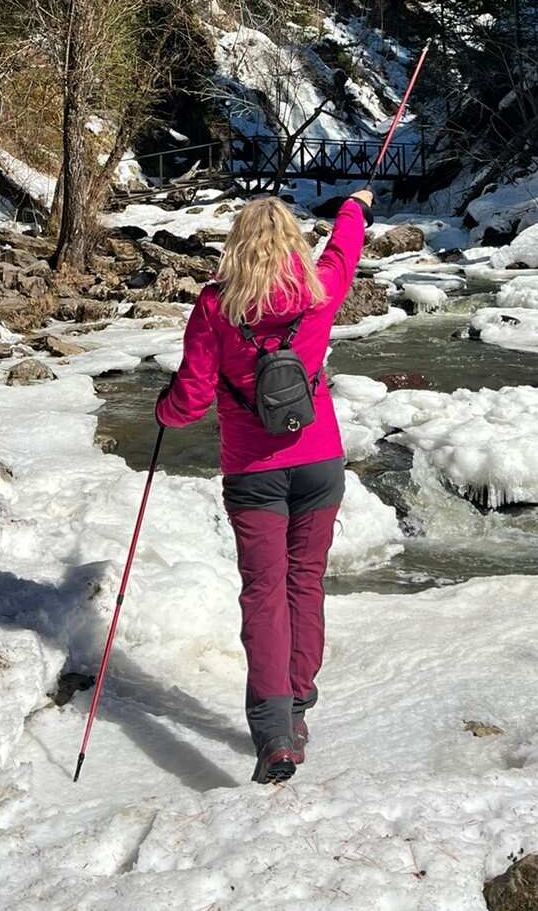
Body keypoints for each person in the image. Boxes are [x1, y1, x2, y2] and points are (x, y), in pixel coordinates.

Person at [156, 188, 374, 784]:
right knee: (305, 581)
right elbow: (345, 246)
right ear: (293, 243)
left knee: (264, 592)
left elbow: (190, 401)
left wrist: (163, 411)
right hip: (319, 461)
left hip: (253, 473)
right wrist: (356, 204)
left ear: (237, 247)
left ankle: (275, 731)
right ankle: (298, 700)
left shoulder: (215, 306)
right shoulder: (319, 290)